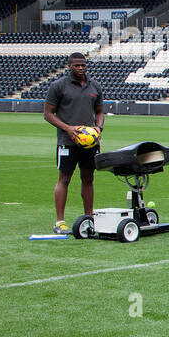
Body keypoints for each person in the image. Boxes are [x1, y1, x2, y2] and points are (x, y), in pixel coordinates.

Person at [43, 52, 104, 235]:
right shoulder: (58, 86)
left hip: (90, 143)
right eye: (76, 66)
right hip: (67, 142)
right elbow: (48, 114)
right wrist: (68, 129)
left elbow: (100, 111)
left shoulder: (95, 86)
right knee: (65, 179)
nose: (80, 68)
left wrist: (99, 128)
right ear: (70, 66)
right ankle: (60, 222)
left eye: (83, 65)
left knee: (88, 178)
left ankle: (89, 219)